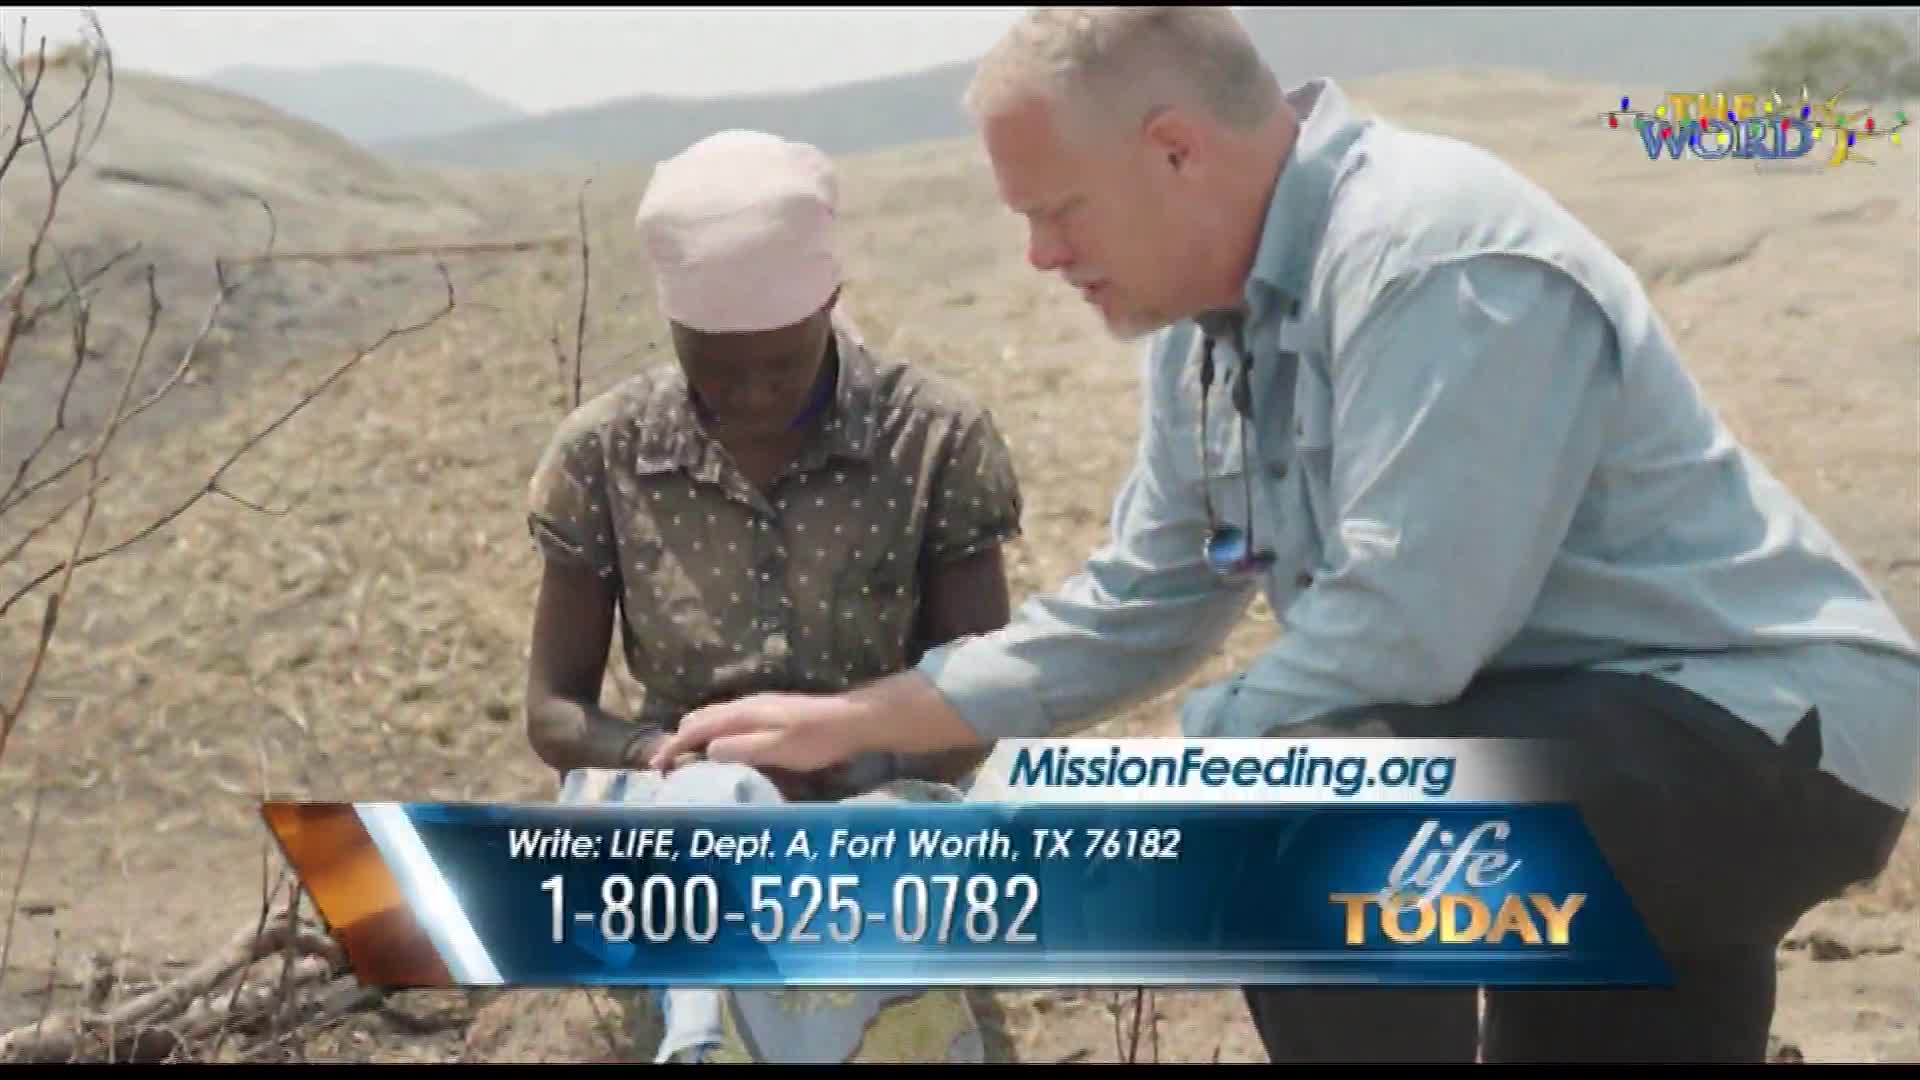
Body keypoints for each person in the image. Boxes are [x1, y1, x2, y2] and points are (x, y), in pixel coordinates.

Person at [648, 8, 1920, 1065]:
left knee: (1292, 799)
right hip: (1585, 744)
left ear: (1175, 152)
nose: (1040, 256)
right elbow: (1137, 603)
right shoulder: (1209, 328)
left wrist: (1119, 789)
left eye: (1059, 211)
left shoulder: (1432, 254)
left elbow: (1403, 637)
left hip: (1756, 739)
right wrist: (863, 718)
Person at [522, 128, 1023, 1062]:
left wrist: (844, 746)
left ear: (831, 301)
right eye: (717, 369)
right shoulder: (604, 455)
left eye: (780, 365)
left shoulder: (933, 439)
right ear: (673, 329)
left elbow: (979, 696)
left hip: (888, 808)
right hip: (686, 822)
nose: (751, 396)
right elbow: (554, 712)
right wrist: (668, 755)